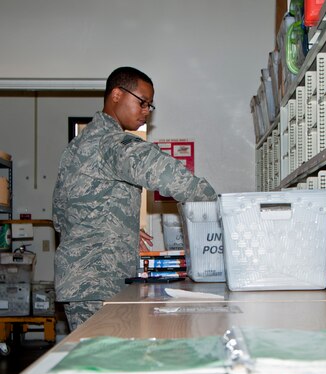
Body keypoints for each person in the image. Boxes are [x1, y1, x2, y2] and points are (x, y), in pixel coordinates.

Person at [52, 66, 217, 331]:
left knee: (98, 363)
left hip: (81, 282)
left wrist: (117, 226)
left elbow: (61, 217)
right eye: (142, 102)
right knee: (104, 364)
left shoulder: (75, 148)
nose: (146, 112)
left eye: (150, 106)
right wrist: (221, 206)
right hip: (97, 283)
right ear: (117, 94)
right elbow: (169, 175)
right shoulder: (110, 143)